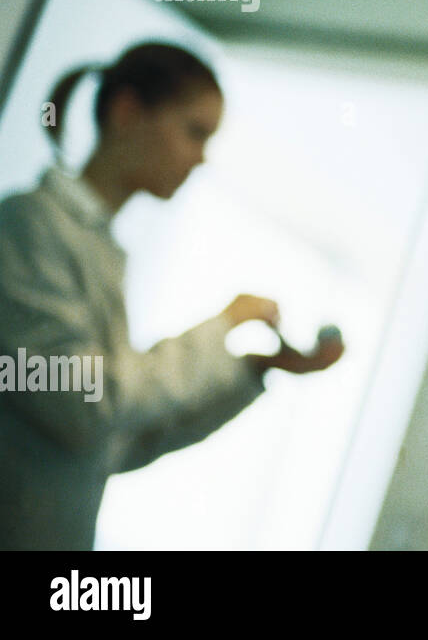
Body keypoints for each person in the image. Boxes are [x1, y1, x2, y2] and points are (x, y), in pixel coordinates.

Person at [0, 42, 343, 550]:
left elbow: (112, 445)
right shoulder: (29, 228)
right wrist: (223, 325)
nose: (201, 158)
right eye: (195, 132)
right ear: (127, 111)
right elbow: (91, 405)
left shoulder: (99, 249)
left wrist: (252, 370)